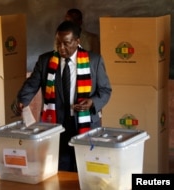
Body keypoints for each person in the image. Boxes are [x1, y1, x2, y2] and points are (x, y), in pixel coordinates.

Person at [11, 21, 111, 172]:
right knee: (57, 166)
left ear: (77, 41)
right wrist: (21, 101)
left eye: (66, 43)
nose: (61, 48)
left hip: (86, 124)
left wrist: (92, 102)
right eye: (58, 43)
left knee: (85, 167)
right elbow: (32, 84)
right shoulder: (46, 61)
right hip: (55, 123)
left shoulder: (94, 61)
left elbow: (105, 90)